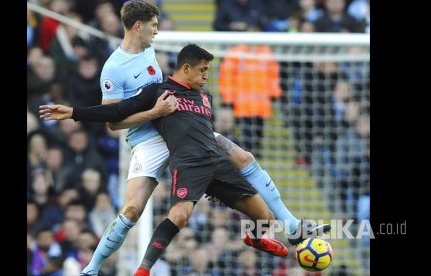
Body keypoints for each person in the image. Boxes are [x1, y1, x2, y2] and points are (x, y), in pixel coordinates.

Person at [50, 1, 325, 275]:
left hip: (178, 127)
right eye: (154, 26)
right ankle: (93, 268)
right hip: (147, 138)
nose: (157, 31)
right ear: (138, 27)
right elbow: (113, 122)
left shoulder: (149, 51)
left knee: (243, 156)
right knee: (132, 210)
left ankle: (290, 225)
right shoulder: (113, 69)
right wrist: (153, 112)